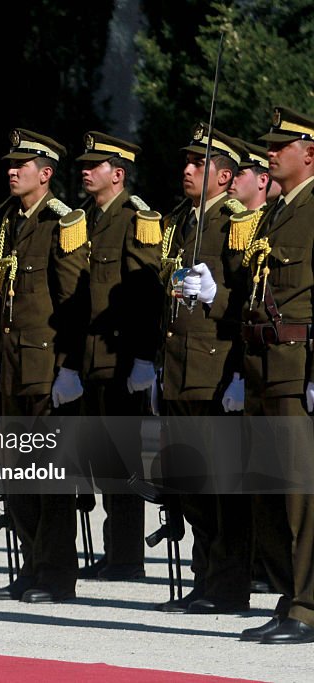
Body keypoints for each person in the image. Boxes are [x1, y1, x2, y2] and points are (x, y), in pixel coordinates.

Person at [0, 129, 89, 604]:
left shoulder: (62, 222)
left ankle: (56, 574)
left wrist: (69, 366)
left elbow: (73, 302)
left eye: (22, 165)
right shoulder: (7, 221)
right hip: (13, 368)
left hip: (47, 370)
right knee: (18, 477)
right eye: (10, 163)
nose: (12, 170)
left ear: (45, 174)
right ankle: (33, 565)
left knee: (51, 480)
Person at [156, 125, 251, 614]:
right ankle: (205, 578)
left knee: (220, 488)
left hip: (215, 371)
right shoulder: (181, 221)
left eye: (199, 164)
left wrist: (238, 372)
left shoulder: (237, 223)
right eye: (186, 162)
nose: (187, 170)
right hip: (178, 370)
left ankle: (230, 584)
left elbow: (250, 300)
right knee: (192, 488)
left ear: (225, 176)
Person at [239, 106, 314, 644]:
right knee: (269, 493)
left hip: (297, 367)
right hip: (262, 365)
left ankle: (308, 607)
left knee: (299, 496)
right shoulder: (273, 213)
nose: (269, 153)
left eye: (278, 147)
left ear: (308, 152)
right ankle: (289, 597)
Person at [75, 132, 161, 582]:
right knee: (101, 460)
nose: (85, 171)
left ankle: (128, 557)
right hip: (93, 359)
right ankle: (116, 551)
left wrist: (145, 357)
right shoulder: (87, 218)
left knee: (123, 460)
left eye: (95, 165)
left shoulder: (135, 218)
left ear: (118, 173)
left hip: (122, 359)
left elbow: (146, 293)